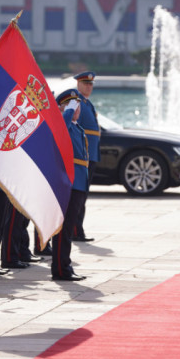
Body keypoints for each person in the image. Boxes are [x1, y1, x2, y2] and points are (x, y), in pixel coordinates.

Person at [51, 89, 89, 281]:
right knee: (64, 228)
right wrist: (65, 112)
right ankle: (60, 268)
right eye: (72, 106)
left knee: (69, 227)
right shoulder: (64, 125)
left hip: (79, 183)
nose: (76, 109)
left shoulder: (77, 128)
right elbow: (60, 129)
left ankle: (64, 265)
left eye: (78, 105)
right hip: (69, 184)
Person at [72, 71, 98, 242]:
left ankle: (78, 229)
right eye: (85, 83)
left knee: (83, 196)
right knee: (78, 196)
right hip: (82, 156)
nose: (89, 87)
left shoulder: (87, 104)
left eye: (91, 84)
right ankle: (75, 230)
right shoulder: (77, 102)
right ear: (78, 85)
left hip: (90, 155)